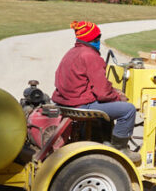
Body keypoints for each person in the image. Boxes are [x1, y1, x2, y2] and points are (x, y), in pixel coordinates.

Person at [53, 20, 139, 161]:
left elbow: (91, 85)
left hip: (65, 102)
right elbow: (103, 94)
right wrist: (118, 97)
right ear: (93, 39)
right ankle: (120, 149)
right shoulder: (91, 56)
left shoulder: (72, 52)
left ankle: (104, 141)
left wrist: (113, 91)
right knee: (128, 110)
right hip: (79, 105)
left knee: (108, 108)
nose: (99, 40)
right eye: (98, 37)